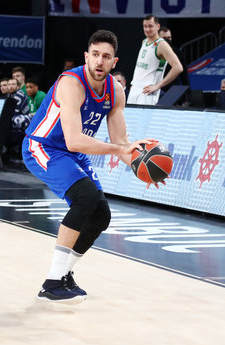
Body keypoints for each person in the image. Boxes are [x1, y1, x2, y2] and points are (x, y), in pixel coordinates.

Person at [22, 30, 157, 303]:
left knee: (100, 215)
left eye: (106, 57)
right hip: (44, 145)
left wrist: (143, 166)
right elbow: (73, 140)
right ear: (87, 56)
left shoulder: (115, 90)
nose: (99, 61)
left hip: (73, 152)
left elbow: (121, 142)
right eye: (95, 54)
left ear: (114, 62)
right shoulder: (71, 83)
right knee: (85, 198)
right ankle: (51, 283)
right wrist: (121, 149)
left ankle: (64, 274)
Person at [128, 15, 183, 105]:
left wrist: (158, 86)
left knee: (143, 119)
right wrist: (135, 84)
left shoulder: (161, 44)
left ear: (158, 26)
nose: (147, 29)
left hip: (147, 92)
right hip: (135, 89)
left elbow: (178, 67)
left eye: (150, 26)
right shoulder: (144, 41)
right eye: (145, 26)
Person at [3, 77, 31, 164]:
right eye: (9, 84)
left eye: (13, 84)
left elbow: (13, 113)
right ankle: (6, 149)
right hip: (15, 117)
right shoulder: (9, 95)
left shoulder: (19, 95)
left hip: (26, 119)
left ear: (18, 86)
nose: (11, 86)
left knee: (11, 121)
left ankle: (7, 148)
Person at [158, 26, 190, 96]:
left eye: (169, 38)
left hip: (173, 92)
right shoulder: (153, 52)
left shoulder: (177, 53)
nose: (167, 40)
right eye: (164, 38)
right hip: (157, 90)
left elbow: (184, 75)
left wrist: (188, 93)